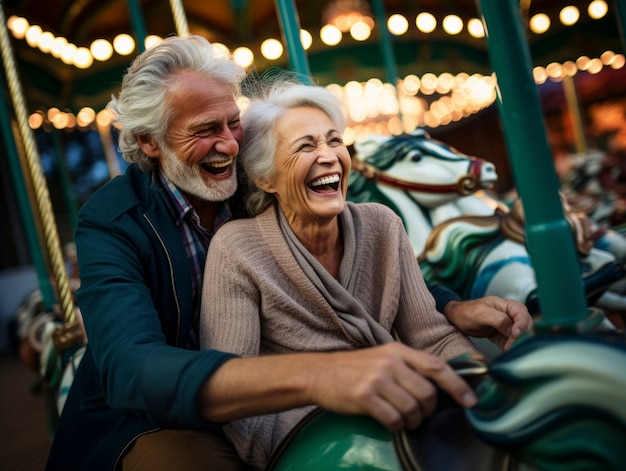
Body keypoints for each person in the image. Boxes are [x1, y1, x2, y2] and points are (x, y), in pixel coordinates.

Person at [46, 35, 531, 471]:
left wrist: (447, 304)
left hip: (270, 391)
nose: (229, 145)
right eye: (203, 130)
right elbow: (132, 368)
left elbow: (368, 255)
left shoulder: (253, 181)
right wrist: (318, 376)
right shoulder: (112, 221)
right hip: (155, 414)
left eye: (233, 123)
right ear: (150, 142)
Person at [198, 80, 487, 469]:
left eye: (334, 141)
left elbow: (431, 337)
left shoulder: (382, 224)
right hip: (307, 435)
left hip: (396, 411)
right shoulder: (238, 248)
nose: (329, 156)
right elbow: (235, 391)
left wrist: (481, 391)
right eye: (306, 146)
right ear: (266, 179)